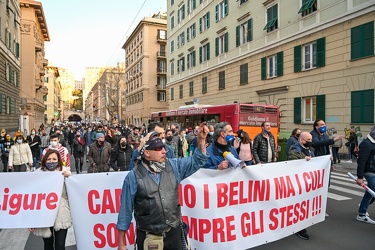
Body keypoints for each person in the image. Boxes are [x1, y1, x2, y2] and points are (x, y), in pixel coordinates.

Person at [116, 122, 209, 250]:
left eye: (163, 146)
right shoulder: (133, 177)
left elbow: (198, 160)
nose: (164, 151)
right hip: (150, 238)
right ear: (147, 153)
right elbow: (125, 212)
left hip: (175, 235)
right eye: (159, 148)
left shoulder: (174, 166)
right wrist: (121, 244)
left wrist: (201, 139)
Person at [29, 150, 72, 250]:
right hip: (44, 212)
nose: (51, 161)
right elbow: (31, 198)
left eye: (54, 159)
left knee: (60, 245)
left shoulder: (64, 171)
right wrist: (30, 220)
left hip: (61, 212)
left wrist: (68, 178)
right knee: (48, 245)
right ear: (44, 160)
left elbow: (72, 192)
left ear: (58, 160)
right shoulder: (37, 174)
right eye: (48, 159)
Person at [310, 119, 343, 217]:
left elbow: (328, 150)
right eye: (321, 124)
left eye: (324, 124)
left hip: (325, 164)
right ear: (316, 127)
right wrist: (333, 140)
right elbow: (316, 144)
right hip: (317, 164)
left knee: (325, 187)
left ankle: (321, 208)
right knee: (316, 187)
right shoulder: (313, 134)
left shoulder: (324, 135)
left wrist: (331, 163)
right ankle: (314, 208)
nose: (324, 126)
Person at [288, 131, 315, 240]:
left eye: (311, 140)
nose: (310, 142)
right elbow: (293, 164)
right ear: (301, 140)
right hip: (298, 183)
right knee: (299, 205)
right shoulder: (294, 150)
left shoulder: (310, 149)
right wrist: (304, 161)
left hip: (307, 182)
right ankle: (300, 228)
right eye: (308, 140)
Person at [355, 125, 375, 224]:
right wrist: (360, 177)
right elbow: (361, 161)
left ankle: (363, 207)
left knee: (370, 192)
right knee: (373, 190)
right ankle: (361, 214)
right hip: (369, 171)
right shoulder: (367, 144)